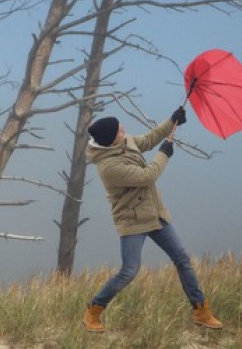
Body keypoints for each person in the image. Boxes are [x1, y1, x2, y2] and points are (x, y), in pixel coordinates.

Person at [81, 106, 223, 332]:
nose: (124, 131)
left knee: (182, 258)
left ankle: (200, 310)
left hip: (155, 213)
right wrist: (164, 153)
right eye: (120, 131)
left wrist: (172, 120)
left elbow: (147, 140)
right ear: (110, 141)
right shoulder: (109, 167)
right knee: (129, 271)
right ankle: (93, 311)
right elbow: (148, 176)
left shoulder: (124, 141)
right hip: (132, 220)